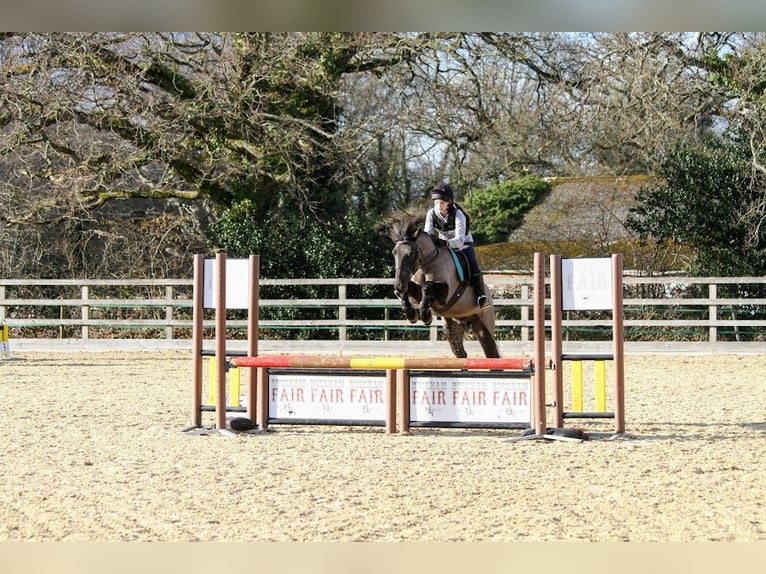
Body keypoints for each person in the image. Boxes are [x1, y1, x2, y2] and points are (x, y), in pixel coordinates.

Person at [423, 181, 491, 309]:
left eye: (442, 203)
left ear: (449, 202)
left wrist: (445, 243)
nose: (439, 206)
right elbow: (427, 234)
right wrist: (433, 242)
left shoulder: (459, 215)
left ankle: (481, 296)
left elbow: (459, 241)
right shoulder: (431, 214)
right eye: (436, 202)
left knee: (472, 263)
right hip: (442, 244)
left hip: (463, 243)